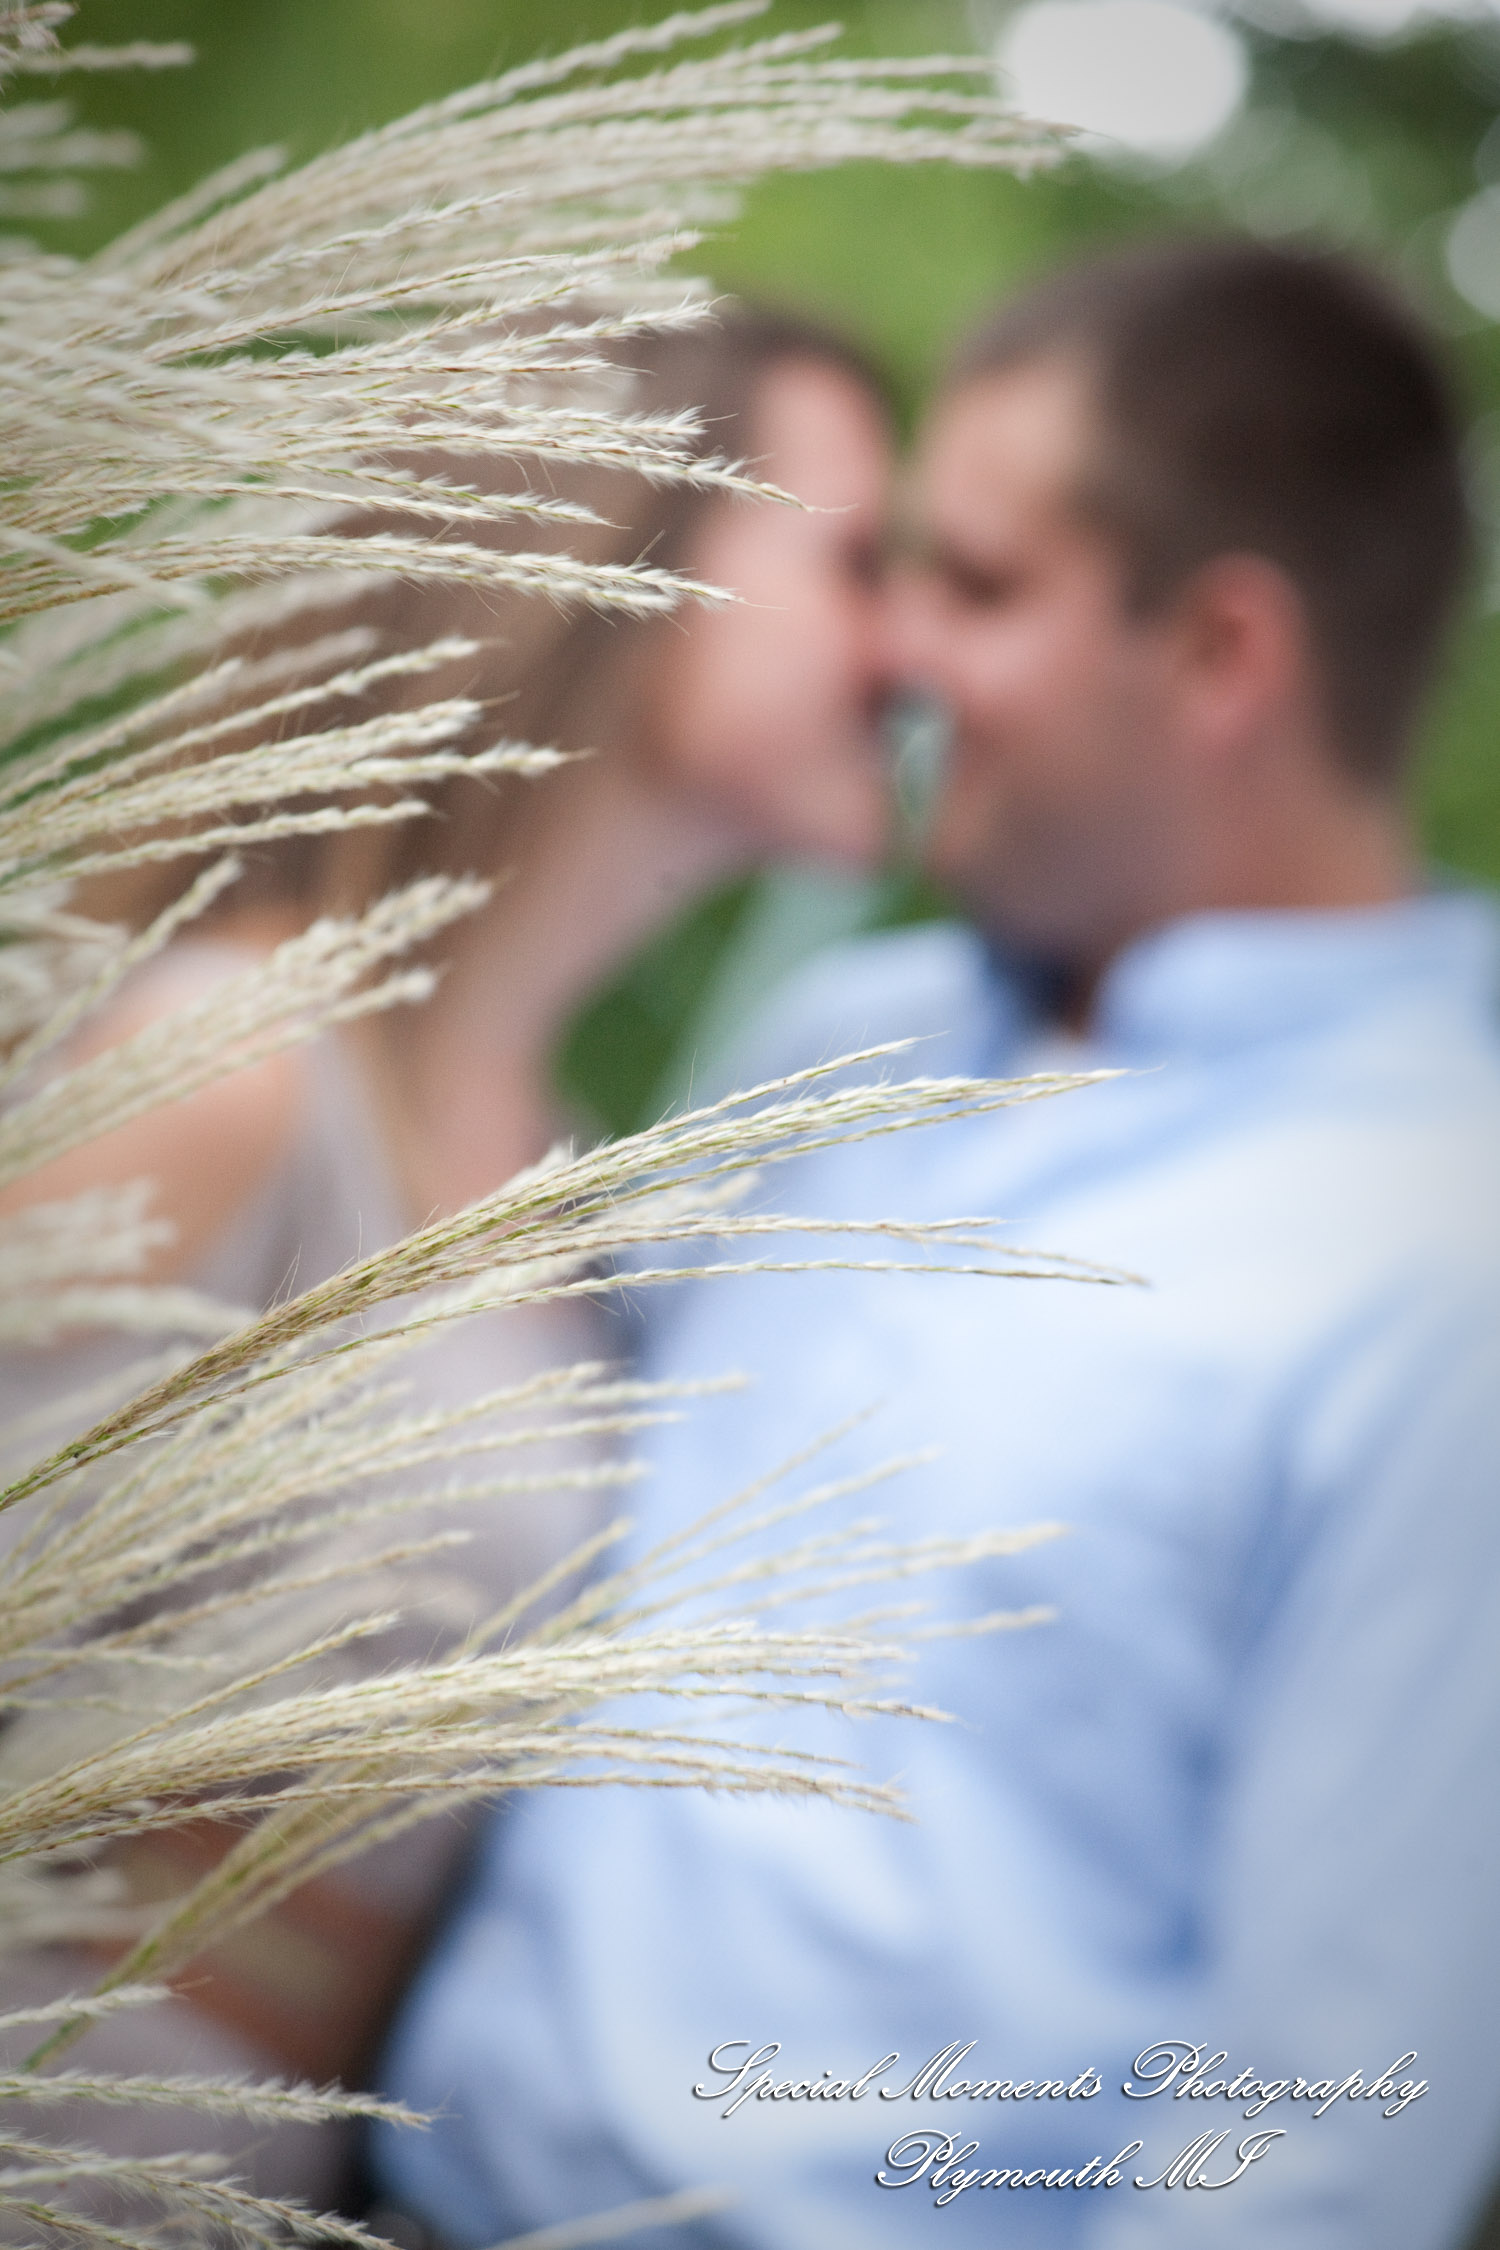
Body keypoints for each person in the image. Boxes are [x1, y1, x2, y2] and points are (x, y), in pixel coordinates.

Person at [371, 240, 1500, 2249]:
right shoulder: (843, 1040)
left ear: (1225, 656)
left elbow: (1328, 2142)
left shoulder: (1443, 1267)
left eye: (974, 586)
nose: (888, 649)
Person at [0, 309, 896, 2207]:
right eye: (855, 558)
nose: (904, 646)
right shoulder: (237, 1063)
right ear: (626, 540)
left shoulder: (573, 1184)